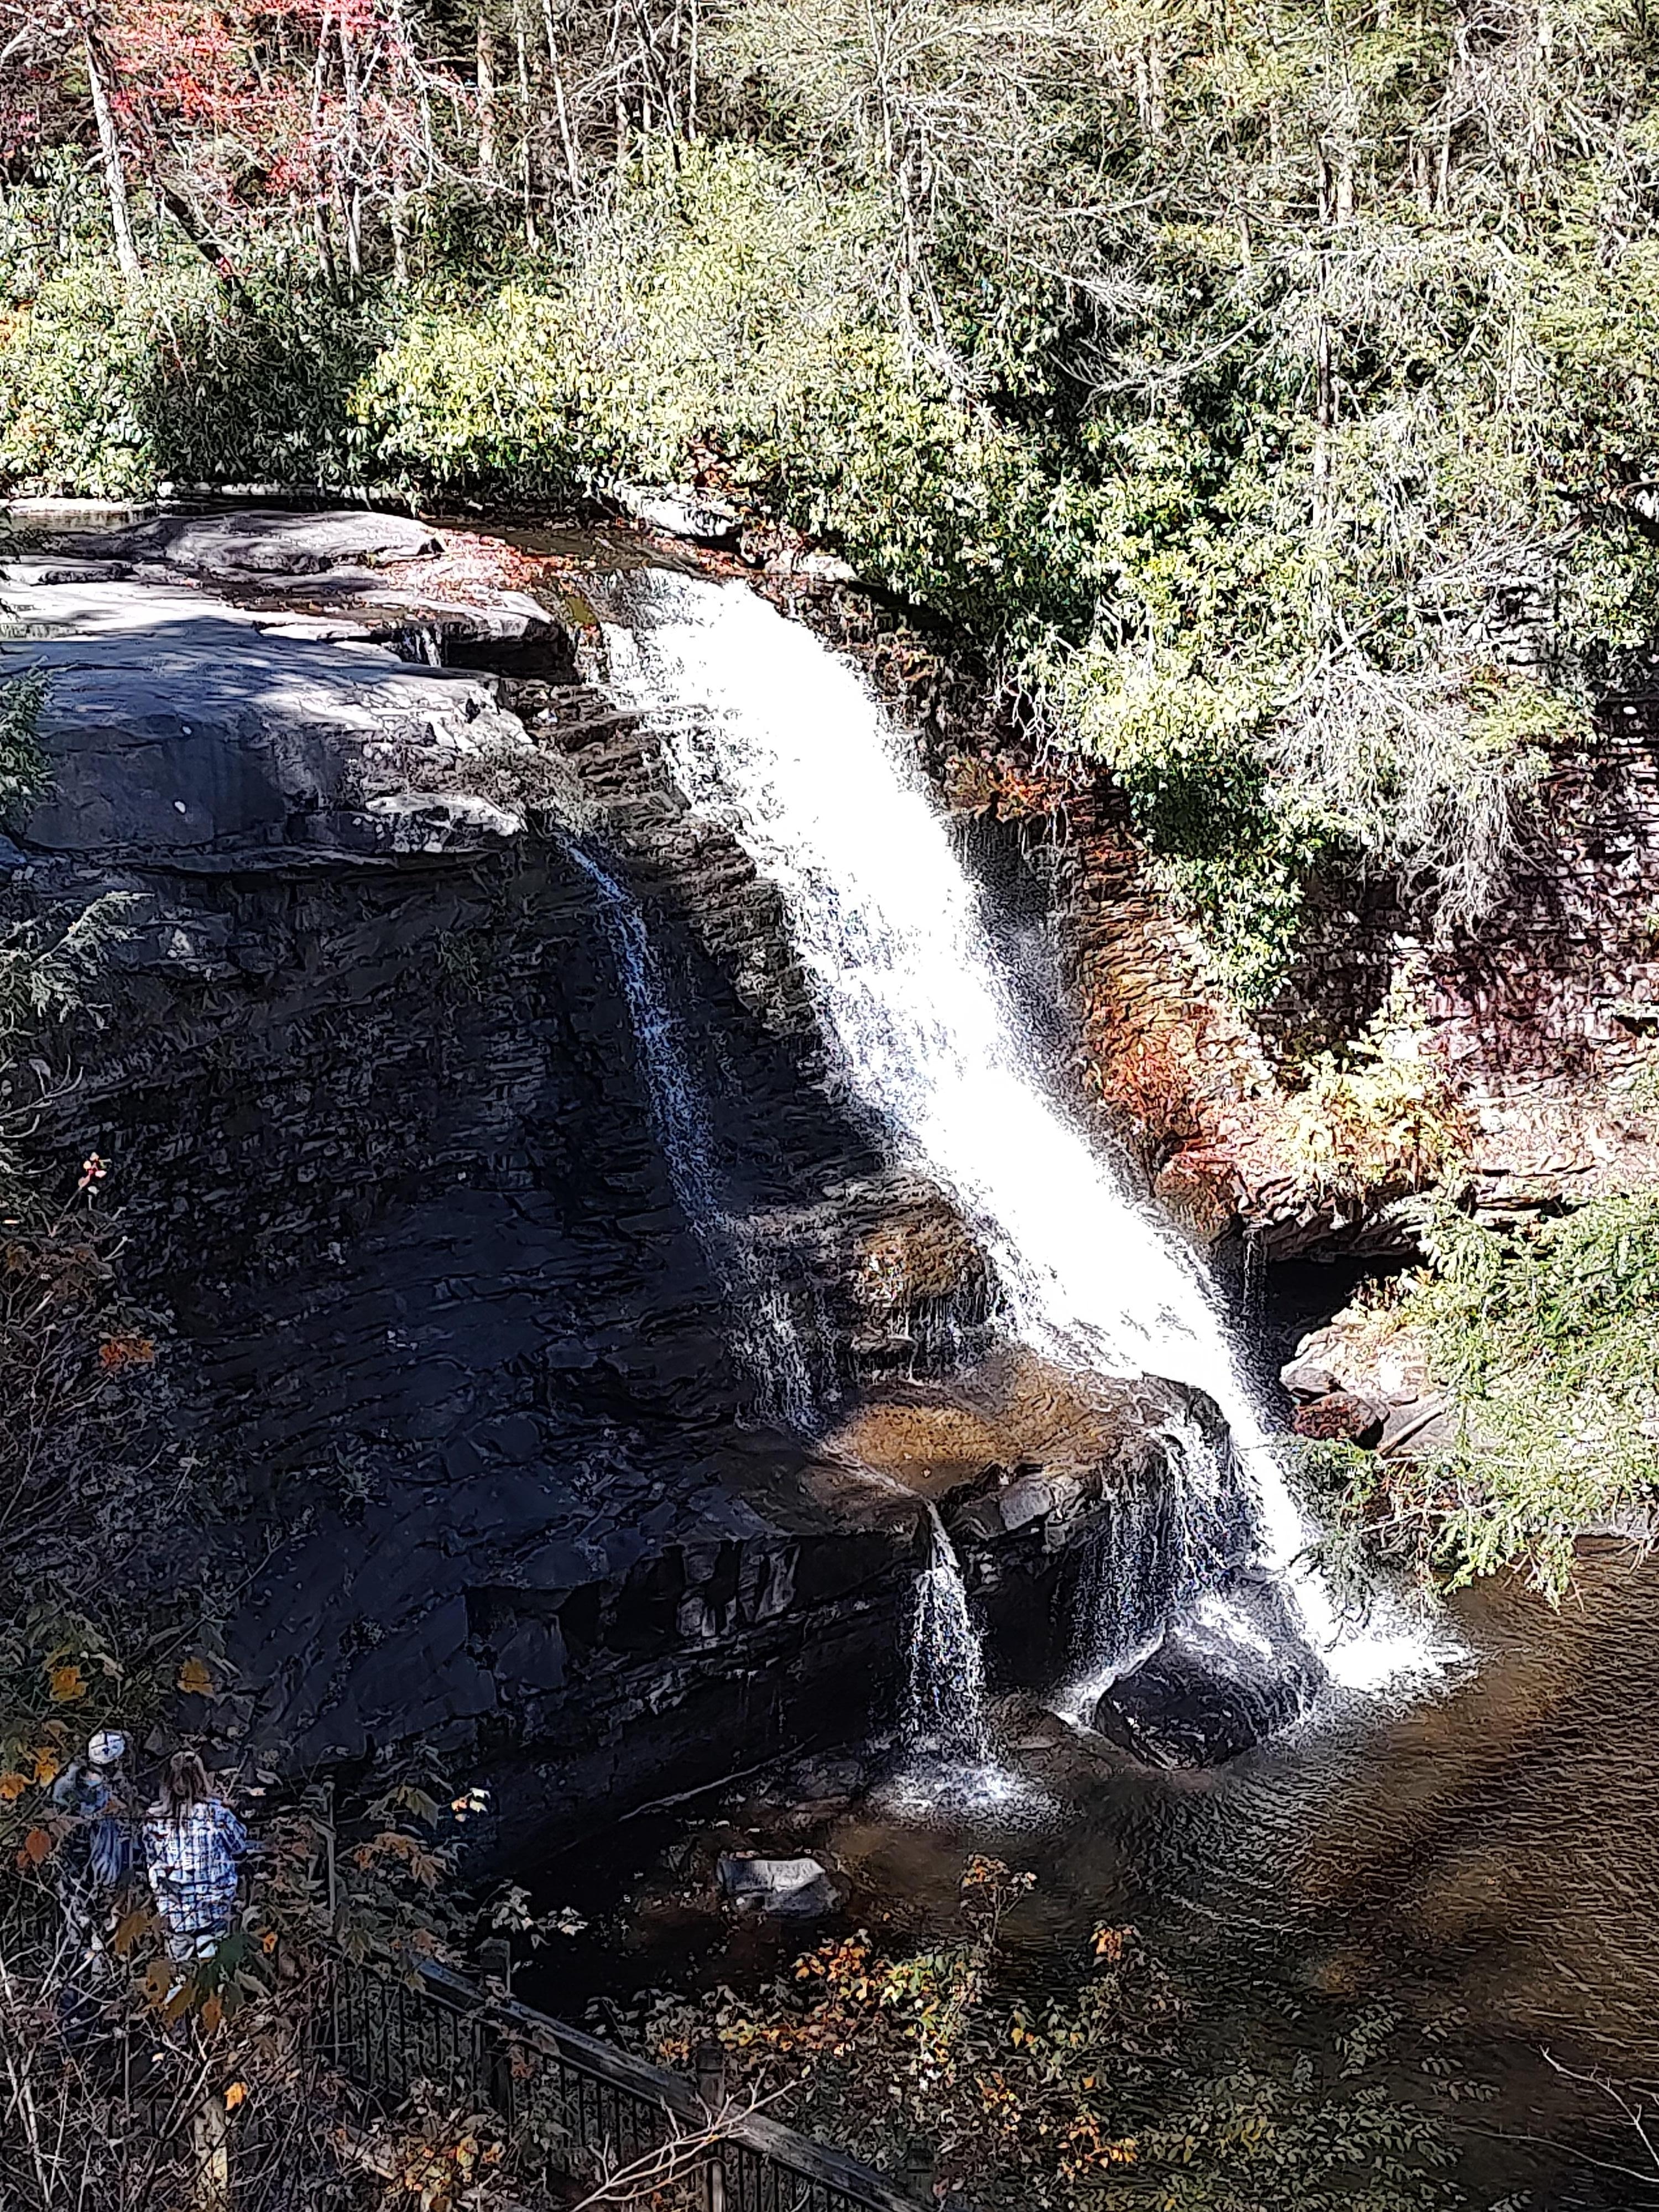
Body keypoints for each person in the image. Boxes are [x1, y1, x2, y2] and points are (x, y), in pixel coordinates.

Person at [142, 1750, 248, 1965]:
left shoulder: (154, 1820)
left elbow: (151, 1858)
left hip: (175, 1911)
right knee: (213, 1971)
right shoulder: (216, 1814)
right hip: (215, 1907)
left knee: (178, 1973)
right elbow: (239, 1847)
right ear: (202, 1779)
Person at [50, 1729, 135, 1979]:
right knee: (93, 1923)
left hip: (73, 1870)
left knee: (77, 1922)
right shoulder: (109, 1792)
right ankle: (91, 1979)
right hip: (94, 1869)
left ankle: (77, 1976)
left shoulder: (64, 1785)